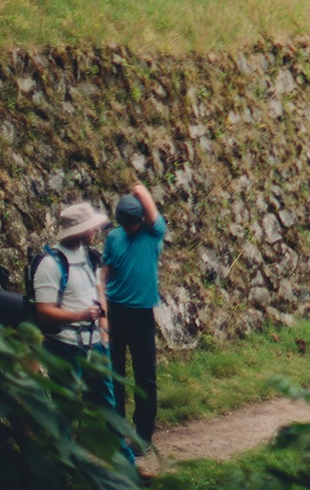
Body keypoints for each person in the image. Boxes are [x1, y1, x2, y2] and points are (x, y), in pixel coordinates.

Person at [31, 201, 115, 406]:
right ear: (80, 230)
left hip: (95, 342)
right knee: (65, 406)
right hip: (64, 345)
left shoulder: (90, 256)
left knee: (105, 405)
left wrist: (104, 332)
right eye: (91, 227)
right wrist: (81, 316)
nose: (95, 230)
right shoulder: (50, 264)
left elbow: (98, 291)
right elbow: (43, 311)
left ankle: (112, 440)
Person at [103, 183, 167, 452]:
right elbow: (104, 275)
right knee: (114, 374)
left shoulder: (153, 232)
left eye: (135, 222)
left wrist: (138, 190)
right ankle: (116, 433)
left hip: (142, 315)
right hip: (115, 310)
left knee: (145, 376)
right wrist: (102, 315)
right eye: (127, 224)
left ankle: (143, 434)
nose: (131, 228)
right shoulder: (113, 238)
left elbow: (142, 191)